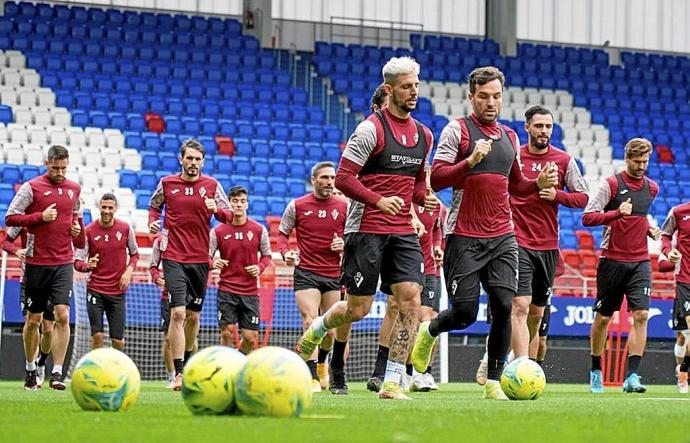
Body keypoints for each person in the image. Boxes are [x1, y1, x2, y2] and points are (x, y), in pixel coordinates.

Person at [410, 66, 558, 400]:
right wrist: (471, 161)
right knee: (464, 313)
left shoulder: (510, 136)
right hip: (464, 235)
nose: (491, 103)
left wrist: (539, 184)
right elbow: (438, 179)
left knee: (505, 306)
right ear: (471, 96)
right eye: (484, 96)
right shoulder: (458, 130)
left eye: (496, 96)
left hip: (503, 236)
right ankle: (430, 330)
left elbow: (517, 185)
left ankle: (493, 383)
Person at [295, 56, 437, 400]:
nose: (414, 92)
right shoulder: (370, 129)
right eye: (407, 87)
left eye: (416, 85)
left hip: (402, 229)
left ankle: (391, 382)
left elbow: (416, 185)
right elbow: (344, 178)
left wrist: (425, 198)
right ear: (389, 90)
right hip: (366, 228)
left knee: (411, 303)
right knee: (357, 310)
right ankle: (318, 328)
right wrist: (378, 200)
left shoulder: (424, 135)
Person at [148, 138, 232, 390]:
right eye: (189, 158)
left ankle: (188, 360)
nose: (193, 163)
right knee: (178, 313)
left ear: (203, 162)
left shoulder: (212, 186)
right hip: (173, 257)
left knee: (193, 319)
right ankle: (179, 373)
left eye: (197, 159)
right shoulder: (167, 183)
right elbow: (154, 207)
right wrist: (153, 222)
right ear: (181, 159)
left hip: (200, 260)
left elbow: (229, 216)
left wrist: (215, 209)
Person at [509, 105, 589, 358]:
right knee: (519, 306)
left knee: (535, 314)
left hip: (548, 246)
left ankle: (517, 360)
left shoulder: (564, 160)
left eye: (548, 126)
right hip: (517, 241)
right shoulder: (515, 157)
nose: (544, 131)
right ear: (527, 127)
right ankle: (518, 367)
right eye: (539, 126)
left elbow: (583, 197)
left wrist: (558, 195)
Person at [583, 137, 659, 394]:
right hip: (612, 260)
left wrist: (649, 229)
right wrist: (616, 213)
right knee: (604, 318)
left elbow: (638, 217)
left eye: (645, 162)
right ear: (626, 158)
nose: (641, 166)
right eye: (636, 161)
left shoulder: (652, 188)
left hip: (640, 261)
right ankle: (595, 370)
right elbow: (588, 217)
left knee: (641, 315)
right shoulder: (612, 185)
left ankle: (632, 377)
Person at [5, 145, 85, 390]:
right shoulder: (32, 188)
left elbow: (80, 239)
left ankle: (58, 373)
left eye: (64, 168)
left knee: (62, 316)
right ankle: (31, 369)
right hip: (36, 264)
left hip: (63, 263)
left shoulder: (74, 190)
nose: (60, 172)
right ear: (47, 163)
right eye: (56, 167)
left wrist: (77, 233)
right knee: (34, 321)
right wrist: (39, 217)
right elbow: (10, 218)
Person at [278, 162, 349, 394]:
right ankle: (310, 377)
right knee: (310, 320)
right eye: (325, 178)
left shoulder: (344, 206)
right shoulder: (297, 205)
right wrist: (286, 252)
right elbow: (282, 233)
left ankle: (321, 365)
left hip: (333, 273)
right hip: (306, 272)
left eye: (333, 178)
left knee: (330, 330)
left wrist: (344, 244)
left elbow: (356, 236)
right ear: (314, 179)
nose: (330, 182)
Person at [209, 186, 272, 354]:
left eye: (242, 201)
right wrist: (213, 263)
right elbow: (205, 257)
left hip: (250, 292)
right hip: (226, 290)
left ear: (247, 205)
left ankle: (238, 361)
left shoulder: (259, 230)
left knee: (250, 338)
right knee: (227, 332)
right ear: (229, 204)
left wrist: (259, 267)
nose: (238, 205)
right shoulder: (217, 231)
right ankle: (226, 370)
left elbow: (267, 257)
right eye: (235, 201)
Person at [74, 193, 139, 351]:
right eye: (104, 207)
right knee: (97, 336)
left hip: (117, 291)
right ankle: (97, 372)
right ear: (99, 208)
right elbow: (77, 261)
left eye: (110, 207)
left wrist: (129, 271)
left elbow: (135, 254)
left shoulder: (124, 228)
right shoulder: (89, 231)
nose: (107, 211)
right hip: (95, 290)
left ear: (115, 208)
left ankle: (117, 373)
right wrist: (87, 266)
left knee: (118, 340)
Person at [2, 227, 55, 388]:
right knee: (32, 323)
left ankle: (42, 363)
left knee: (48, 329)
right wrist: (17, 251)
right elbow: (5, 242)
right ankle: (31, 368)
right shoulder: (24, 219)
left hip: (50, 280)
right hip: (28, 281)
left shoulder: (55, 217)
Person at [661, 200, 690, 393]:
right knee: (683, 336)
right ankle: (683, 372)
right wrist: (668, 250)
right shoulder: (679, 212)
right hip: (685, 280)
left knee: (685, 335)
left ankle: (683, 371)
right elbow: (665, 235)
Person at [149, 233, 175, 388]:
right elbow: (153, 266)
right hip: (167, 295)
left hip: (188, 293)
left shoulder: (191, 237)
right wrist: (156, 277)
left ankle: (184, 370)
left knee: (189, 336)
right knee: (168, 338)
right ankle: (172, 376)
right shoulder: (160, 241)